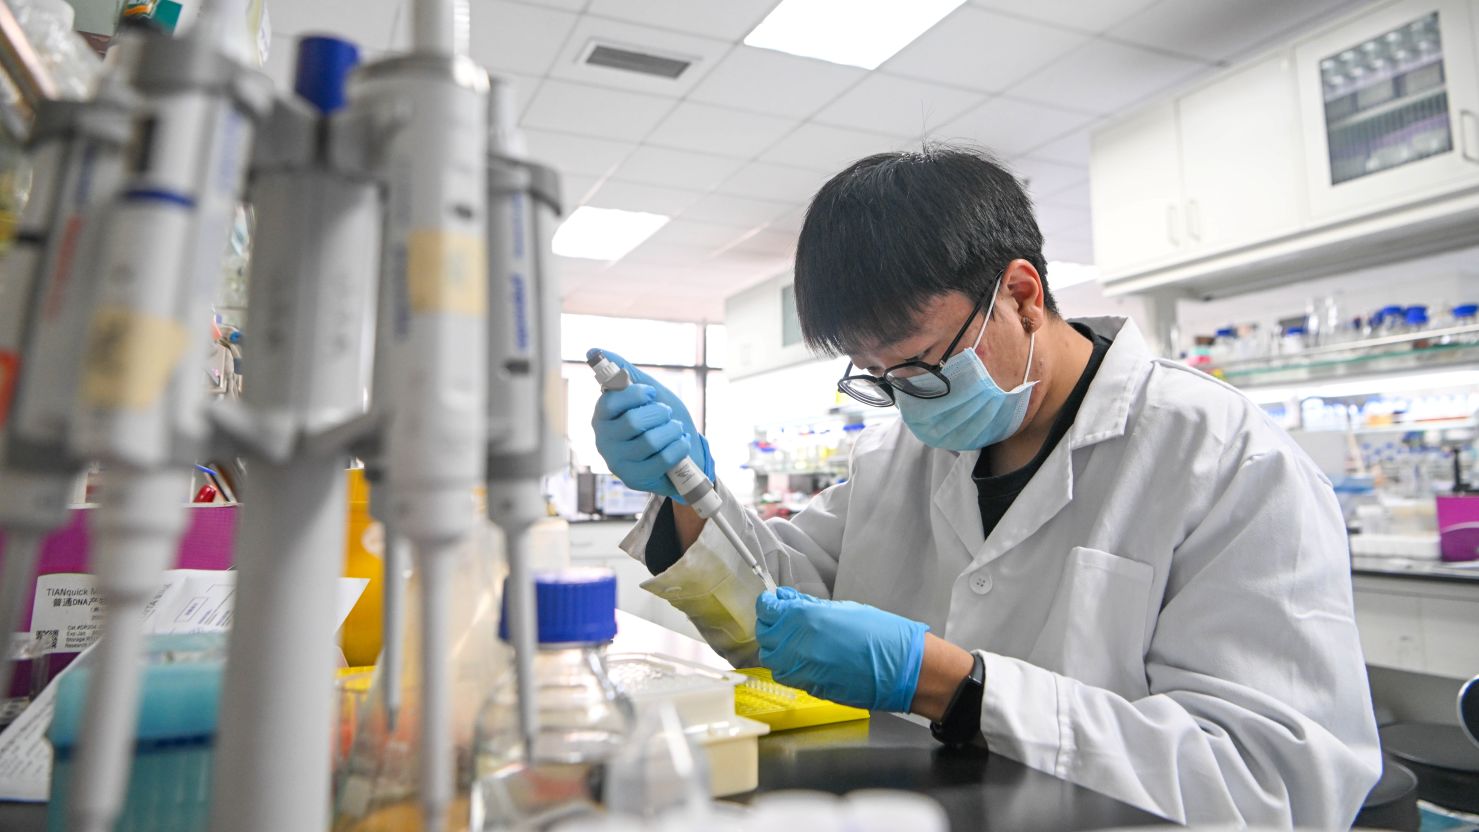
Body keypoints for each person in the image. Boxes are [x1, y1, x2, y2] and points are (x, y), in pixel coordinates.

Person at [590, 146, 1380, 827]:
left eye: (924, 363)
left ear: (1022, 295)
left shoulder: (1226, 459)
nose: (903, 398)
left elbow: (1276, 782)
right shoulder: (896, 457)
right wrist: (686, 493)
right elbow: (776, 606)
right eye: (876, 376)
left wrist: (961, 689)